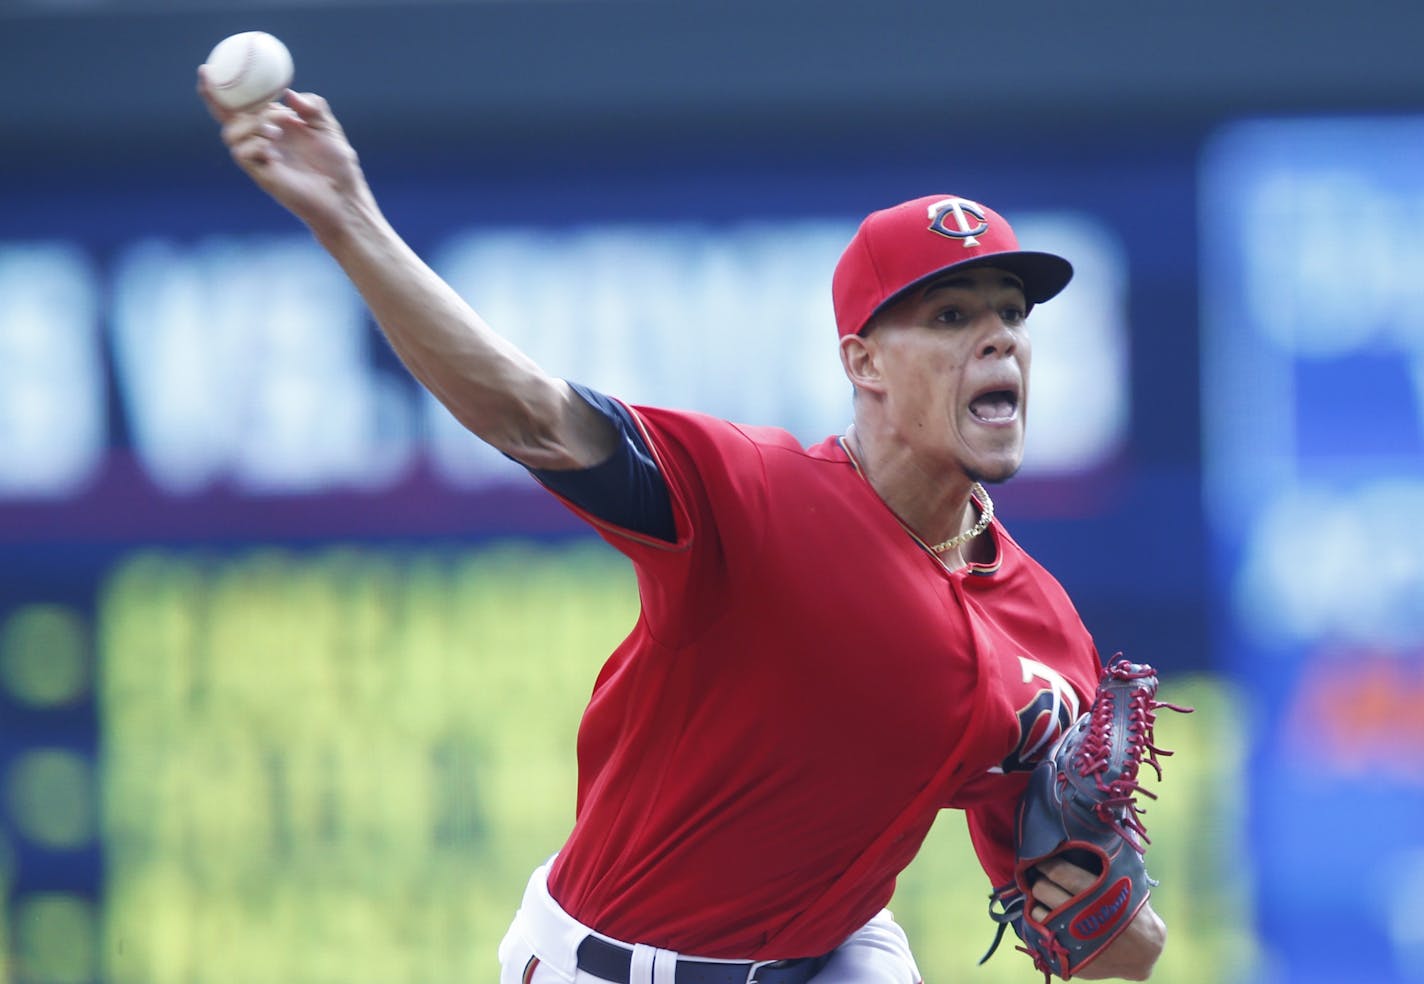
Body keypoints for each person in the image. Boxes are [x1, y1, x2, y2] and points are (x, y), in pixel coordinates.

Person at [198, 75, 1170, 983]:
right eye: (950, 315)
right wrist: (346, 216)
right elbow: (528, 413)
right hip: (612, 962)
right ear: (863, 363)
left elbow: (1102, 949)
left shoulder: (1042, 627)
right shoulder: (755, 498)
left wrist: (1119, 924)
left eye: (1009, 312)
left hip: (834, 954)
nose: (997, 336)